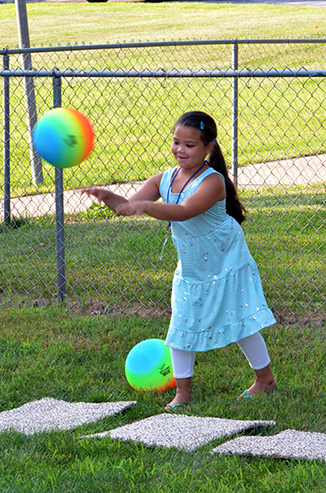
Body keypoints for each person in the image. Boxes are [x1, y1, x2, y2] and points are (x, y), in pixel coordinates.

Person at [81, 110, 277, 410]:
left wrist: (147, 207)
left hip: (226, 258)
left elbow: (184, 211)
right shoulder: (163, 179)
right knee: (181, 323)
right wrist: (108, 196)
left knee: (239, 319)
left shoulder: (213, 182)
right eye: (176, 142)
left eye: (190, 145)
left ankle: (264, 379)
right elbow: (128, 206)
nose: (180, 150)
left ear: (208, 148)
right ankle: (182, 394)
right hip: (193, 266)